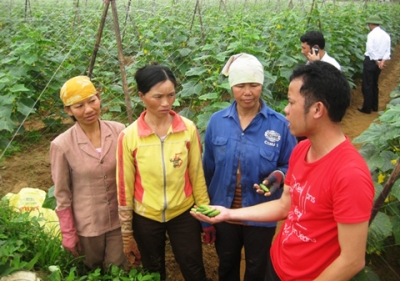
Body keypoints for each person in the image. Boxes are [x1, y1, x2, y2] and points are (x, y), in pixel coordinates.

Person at [193, 61, 375, 281]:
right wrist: (228, 214)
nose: (286, 110)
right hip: (278, 263)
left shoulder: (350, 174)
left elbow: (352, 261)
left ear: (317, 109)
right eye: (241, 85)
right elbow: (284, 205)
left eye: (291, 102)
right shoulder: (302, 150)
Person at [202, 53, 297, 281]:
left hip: (260, 214)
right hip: (223, 213)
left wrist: (278, 176)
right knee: (227, 265)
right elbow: (208, 170)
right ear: (231, 87)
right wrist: (206, 217)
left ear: (262, 85)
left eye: (254, 85)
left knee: (257, 267)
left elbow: (291, 164)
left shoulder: (280, 124)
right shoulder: (217, 121)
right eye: (240, 85)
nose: (247, 92)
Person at [116, 64, 210, 281]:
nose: (166, 103)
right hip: (146, 216)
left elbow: (197, 176)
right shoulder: (129, 137)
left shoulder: (188, 129)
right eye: (158, 97)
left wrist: (205, 217)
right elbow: (125, 186)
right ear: (141, 96)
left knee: (193, 267)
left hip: (183, 213)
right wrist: (127, 233)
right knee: (153, 270)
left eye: (171, 95)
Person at [50, 76, 127, 270]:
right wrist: (68, 233)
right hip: (88, 224)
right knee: (91, 268)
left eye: (92, 101)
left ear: (99, 98)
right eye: (78, 106)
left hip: (119, 219)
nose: (89, 110)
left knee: (117, 268)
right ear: (68, 110)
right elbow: (62, 192)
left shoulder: (119, 131)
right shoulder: (62, 145)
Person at [358, 14, 391, 114]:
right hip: (380, 62)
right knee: (374, 83)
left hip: (371, 61)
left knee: (367, 84)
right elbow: (387, 51)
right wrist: (382, 62)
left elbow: (370, 50)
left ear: (371, 24)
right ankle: (374, 106)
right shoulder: (386, 35)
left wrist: (376, 61)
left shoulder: (371, 35)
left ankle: (366, 108)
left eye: (369, 24)